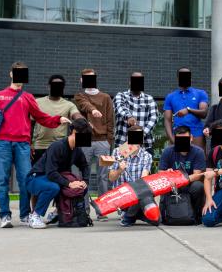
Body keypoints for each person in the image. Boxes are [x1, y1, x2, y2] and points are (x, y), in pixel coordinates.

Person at [0, 61, 71, 228]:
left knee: (25, 180)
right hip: (3, 143)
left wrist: (58, 119)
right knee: (2, 180)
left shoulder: (28, 97)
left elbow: (41, 117)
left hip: (23, 144)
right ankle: (5, 216)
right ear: (11, 74)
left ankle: (25, 215)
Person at [25, 118, 91, 229]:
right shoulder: (57, 146)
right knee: (53, 187)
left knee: (80, 187)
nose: (87, 139)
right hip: (36, 178)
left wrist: (85, 181)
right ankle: (35, 216)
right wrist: (69, 184)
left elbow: (84, 166)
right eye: (85, 135)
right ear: (74, 132)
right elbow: (51, 173)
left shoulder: (77, 149)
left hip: (53, 177)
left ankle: (58, 212)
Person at [74, 68, 114, 196]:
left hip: (103, 140)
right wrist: (93, 110)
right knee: (82, 176)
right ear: (81, 80)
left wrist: (109, 141)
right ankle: (83, 211)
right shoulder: (80, 96)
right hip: (83, 139)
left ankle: (102, 210)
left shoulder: (106, 97)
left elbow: (110, 120)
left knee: (103, 176)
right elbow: (84, 105)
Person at [158, 126, 206, 223]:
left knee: (198, 186)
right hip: (172, 185)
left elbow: (197, 175)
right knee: (164, 186)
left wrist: (178, 180)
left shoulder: (198, 152)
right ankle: (166, 215)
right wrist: (168, 173)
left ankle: (197, 216)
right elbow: (161, 173)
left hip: (190, 184)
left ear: (191, 138)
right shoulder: (167, 151)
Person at [107, 126, 154, 226]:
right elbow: (111, 178)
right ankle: (131, 216)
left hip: (138, 194)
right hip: (122, 195)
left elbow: (144, 179)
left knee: (156, 220)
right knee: (140, 202)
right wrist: (120, 170)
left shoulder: (146, 155)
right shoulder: (118, 152)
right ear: (128, 137)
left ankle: (131, 216)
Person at [32, 74, 81, 164]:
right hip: (39, 146)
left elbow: (76, 115)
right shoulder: (37, 102)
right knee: (38, 176)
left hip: (59, 147)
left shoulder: (69, 105)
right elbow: (30, 124)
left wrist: (81, 119)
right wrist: (29, 145)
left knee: (58, 175)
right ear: (49, 87)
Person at [164, 67, 209, 151]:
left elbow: (204, 113)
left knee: (198, 160)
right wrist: (172, 139)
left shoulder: (200, 93)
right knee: (177, 163)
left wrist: (188, 110)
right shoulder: (170, 96)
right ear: (178, 78)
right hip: (178, 134)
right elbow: (167, 120)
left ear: (191, 78)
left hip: (196, 133)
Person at [113, 72, 158, 151]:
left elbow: (154, 118)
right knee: (121, 164)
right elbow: (119, 108)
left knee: (144, 163)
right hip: (123, 144)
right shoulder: (121, 95)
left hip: (145, 145)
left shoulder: (149, 99)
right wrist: (129, 116)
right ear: (129, 82)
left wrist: (141, 134)